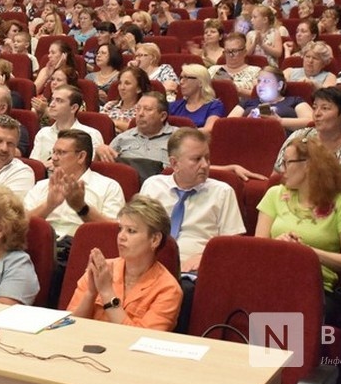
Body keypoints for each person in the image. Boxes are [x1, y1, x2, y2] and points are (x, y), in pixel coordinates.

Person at [257, 135, 341, 294]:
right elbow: (256, 250)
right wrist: (277, 246)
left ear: (308, 165)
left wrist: (306, 252)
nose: (282, 169)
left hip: (314, 287)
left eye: (287, 162)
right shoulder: (275, 194)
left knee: (283, 307)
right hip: (271, 278)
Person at [66, 196, 182, 331]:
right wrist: (91, 293)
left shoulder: (168, 289)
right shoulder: (102, 270)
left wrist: (106, 292)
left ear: (155, 240)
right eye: (120, 229)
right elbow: (69, 326)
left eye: (131, 231)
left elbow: (141, 341)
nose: (121, 236)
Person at [140, 128, 245, 274]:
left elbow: (233, 246)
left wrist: (204, 257)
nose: (205, 165)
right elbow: (136, 230)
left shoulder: (222, 192)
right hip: (149, 266)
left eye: (207, 158)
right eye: (197, 159)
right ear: (174, 163)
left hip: (196, 271)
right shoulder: (153, 186)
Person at [25, 130, 124, 242]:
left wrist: (81, 207)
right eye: (53, 152)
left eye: (61, 152)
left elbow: (115, 231)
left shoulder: (108, 187)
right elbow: (19, 224)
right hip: (43, 245)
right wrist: (49, 205)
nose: (53, 158)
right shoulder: (41, 186)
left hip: (83, 247)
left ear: (81, 157)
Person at [30, 85, 105, 165]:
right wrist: (44, 166)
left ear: (73, 108)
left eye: (59, 101)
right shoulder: (43, 133)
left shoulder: (91, 134)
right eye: (52, 100)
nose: (52, 104)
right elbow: (34, 166)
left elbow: (91, 168)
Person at [227, 66, 314, 132]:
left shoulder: (294, 101)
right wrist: (247, 122)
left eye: (266, 81)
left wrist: (280, 121)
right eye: (259, 81)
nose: (260, 85)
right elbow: (226, 125)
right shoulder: (246, 103)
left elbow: (311, 122)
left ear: (279, 85)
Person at [169, 64, 225, 132]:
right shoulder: (173, 106)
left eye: (186, 78)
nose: (181, 82)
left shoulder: (214, 106)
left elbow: (208, 130)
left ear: (200, 82)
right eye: (181, 78)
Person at [209, 31, 261, 95]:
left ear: (244, 52)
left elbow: (259, 95)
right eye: (228, 51)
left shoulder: (255, 72)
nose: (231, 55)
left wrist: (237, 89)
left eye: (235, 51)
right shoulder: (213, 70)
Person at [100, 66, 149, 133]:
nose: (122, 88)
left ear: (139, 88)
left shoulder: (143, 110)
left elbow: (142, 131)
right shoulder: (109, 105)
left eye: (127, 83)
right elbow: (98, 125)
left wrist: (114, 123)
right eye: (120, 83)